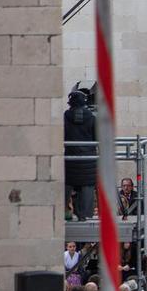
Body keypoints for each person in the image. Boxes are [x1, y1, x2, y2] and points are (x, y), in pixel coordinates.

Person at [63, 87, 97, 221]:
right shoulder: (92, 117)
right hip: (88, 161)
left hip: (70, 159)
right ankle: (85, 216)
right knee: (87, 188)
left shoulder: (66, 116)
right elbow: (97, 137)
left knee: (66, 186)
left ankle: (65, 213)